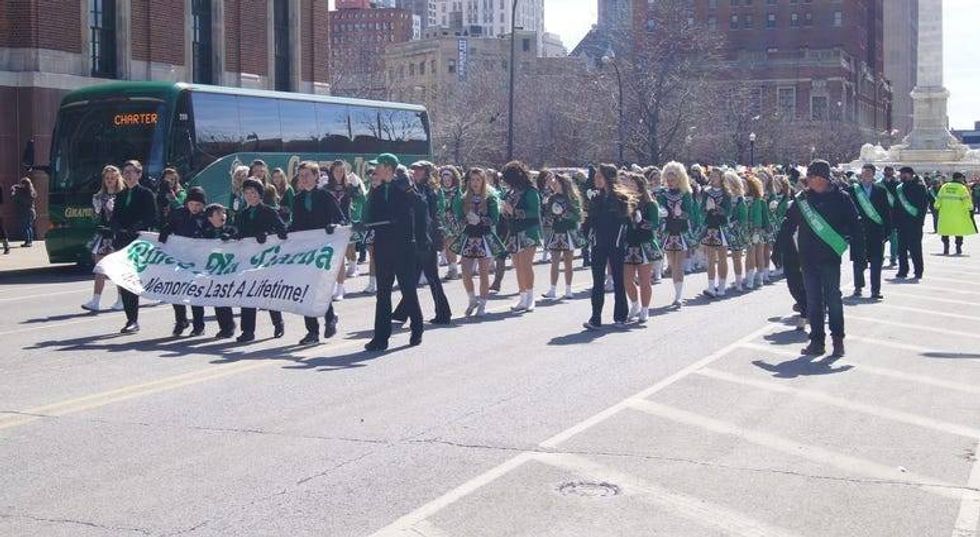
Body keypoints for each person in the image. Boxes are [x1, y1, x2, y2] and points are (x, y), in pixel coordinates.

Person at [777, 160, 862, 357]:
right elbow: (788, 223)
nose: (810, 182)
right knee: (814, 300)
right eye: (809, 178)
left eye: (814, 178)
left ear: (823, 178)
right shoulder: (803, 199)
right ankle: (816, 342)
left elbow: (855, 225)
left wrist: (859, 253)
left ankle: (838, 340)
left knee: (833, 299)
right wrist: (778, 249)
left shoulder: (842, 198)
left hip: (830, 257)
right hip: (807, 257)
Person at [361, 153, 424, 352]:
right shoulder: (377, 189)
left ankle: (417, 327)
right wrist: (372, 191)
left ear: (388, 168)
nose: (374, 170)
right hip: (382, 245)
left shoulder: (403, 187)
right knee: (383, 292)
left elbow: (421, 207)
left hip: (403, 246)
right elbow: (367, 215)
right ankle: (380, 338)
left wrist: (408, 189)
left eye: (377, 167)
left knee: (407, 289)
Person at [290, 161, 344, 345]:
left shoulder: (325, 196)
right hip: (305, 250)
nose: (303, 179)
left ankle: (330, 317)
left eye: (307, 175)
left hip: (323, 249)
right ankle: (312, 331)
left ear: (316, 176)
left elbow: (340, 219)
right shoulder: (297, 199)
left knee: (319, 286)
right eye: (301, 176)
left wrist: (333, 226)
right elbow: (295, 224)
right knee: (306, 289)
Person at [392, 160, 452, 325]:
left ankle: (443, 313)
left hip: (427, 238)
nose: (416, 172)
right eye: (414, 169)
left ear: (427, 173)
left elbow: (428, 214)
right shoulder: (414, 187)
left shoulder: (429, 191)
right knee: (411, 277)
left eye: (419, 170)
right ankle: (402, 312)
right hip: (415, 238)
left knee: (432, 276)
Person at [234, 178, 289, 343]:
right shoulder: (242, 214)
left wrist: (266, 234)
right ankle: (248, 331)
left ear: (260, 194)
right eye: (247, 193)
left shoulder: (268, 211)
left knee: (267, 292)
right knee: (247, 293)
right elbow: (238, 232)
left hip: (266, 259)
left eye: (253, 193)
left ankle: (278, 322)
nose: (250, 196)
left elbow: (281, 230)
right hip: (247, 260)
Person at [581, 164, 634, 330]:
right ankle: (595, 317)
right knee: (597, 282)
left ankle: (620, 316)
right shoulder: (595, 199)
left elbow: (627, 223)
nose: (596, 179)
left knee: (619, 280)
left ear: (608, 178)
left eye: (599, 176)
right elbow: (589, 222)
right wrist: (585, 231)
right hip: (598, 244)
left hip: (616, 244)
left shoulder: (620, 199)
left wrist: (625, 241)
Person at [110, 160, 158, 334]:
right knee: (126, 282)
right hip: (123, 243)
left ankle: (180, 318)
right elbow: (115, 216)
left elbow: (152, 217)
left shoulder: (146, 194)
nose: (129, 175)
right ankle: (132, 319)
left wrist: (136, 226)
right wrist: (114, 227)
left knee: (140, 280)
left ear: (139, 174)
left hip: (139, 243)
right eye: (126, 171)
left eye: (132, 171)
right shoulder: (121, 195)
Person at [452, 168, 506, 317]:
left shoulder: (490, 198)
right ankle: (472, 299)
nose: (475, 183)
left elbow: (495, 218)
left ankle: (482, 305)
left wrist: (481, 219)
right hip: (469, 236)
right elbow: (458, 216)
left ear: (483, 181)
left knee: (483, 273)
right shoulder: (463, 198)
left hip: (484, 236)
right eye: (472, 179)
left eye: (478, 180)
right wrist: (465, 219)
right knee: (465, 271)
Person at [159, 187, 208, 336]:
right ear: (187, 203)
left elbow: (211, 233)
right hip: (179, 257)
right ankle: (181, 320)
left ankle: (199, 324)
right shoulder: (179, 213)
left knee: (195, 293)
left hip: (197, 259)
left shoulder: (205, 217)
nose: (195, 208)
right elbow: (170, 225)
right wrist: (166, 230)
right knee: (176, 290)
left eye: (198, 205)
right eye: (192, 204)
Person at [82, 165, 126, 312]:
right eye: (107, 178)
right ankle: (95, 300)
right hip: (103, 235)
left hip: (116, 236)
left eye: (113, 178)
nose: (110, 180)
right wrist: (96, 210)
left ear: (118, 179)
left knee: (117, 270)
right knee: (99, 268)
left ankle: (121, 300)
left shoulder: (123, 195)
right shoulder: (98, 196)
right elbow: (95, 218)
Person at [500, 161, 542, 312]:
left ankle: (531, 298)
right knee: (517, 266)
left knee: (526, 264)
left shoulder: (531, 191)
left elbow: (535, 212)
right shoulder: (511, 192)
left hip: (528, 231)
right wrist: (505, 211)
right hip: (514, 231)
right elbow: (507, 211)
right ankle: (522, 297)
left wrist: (515, 212)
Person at [848, 164, 892, 299]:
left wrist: (887, 231)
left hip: (876, 231)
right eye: (864, 172)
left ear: (873, 175)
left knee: (876, 261)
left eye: (869, 172)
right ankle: (858, 287)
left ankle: (875, 290)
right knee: (858, 261)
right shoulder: (852, 190)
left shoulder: (880, 191)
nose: (866, 174)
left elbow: (886, 212)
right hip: (858, 231)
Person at [623, 172, 661, 324]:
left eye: (633, 184)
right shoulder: (624, 203)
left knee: (645, 280)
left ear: (640, 186)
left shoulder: (650, 204)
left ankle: (645, 309)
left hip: (644, 244)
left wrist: (642, 221)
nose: (629, 187)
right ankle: (634, 304)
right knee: (627, 279)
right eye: (628, 185)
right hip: (629, 244)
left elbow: (655, 224)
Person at [540, 172, 585, 300]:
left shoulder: (572, 197)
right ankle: (552, 289)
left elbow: (577, 216)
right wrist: (551, 215)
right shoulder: (552, 198)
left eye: (557, 182)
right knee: (554, 262)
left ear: (563, 184)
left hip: (568, 232)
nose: (554, 184)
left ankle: (568, 289)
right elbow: (548, 214)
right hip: (556, 231)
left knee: (568, 263)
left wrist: (565, 213)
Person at [657, 162, 695, 307]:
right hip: (668, 231)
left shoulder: (686, 194)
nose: (670, 182)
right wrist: (662, 213)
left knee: (678, 264)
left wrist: (681, 213)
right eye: (668, 179)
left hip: (681, 231)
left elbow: (689, 213)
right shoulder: (662, 194)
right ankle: (676, 291)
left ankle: (678, 296)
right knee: (672, 264)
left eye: (673, 179)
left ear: (679, 179)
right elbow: (660, 210)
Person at [201, 203, 239, 338]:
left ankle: (229, 325)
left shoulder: (231, 229)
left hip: (229, 269)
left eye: (223, 213)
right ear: (210, 218)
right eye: (218, 214)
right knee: (217, 300)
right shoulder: (206, 232)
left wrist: (230, 237)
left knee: (224, 299)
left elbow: (240, 239)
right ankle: (225, 327)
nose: (222, 216)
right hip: (214, 271)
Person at [701, 168, 732, 297]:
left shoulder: (726, 193)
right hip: (710, 226)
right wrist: (706, 208)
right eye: (711, 176)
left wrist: (717, 208)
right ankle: (711, 286)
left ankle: (722, 287)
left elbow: (728, 212)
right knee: (711, 258)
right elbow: (701, 209)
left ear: (721, 178)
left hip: (722, 226)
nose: (713, 179)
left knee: (723, 257)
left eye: (715, 177)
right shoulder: (706, 192)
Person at [893, 166, 929, 280]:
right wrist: (895, 221)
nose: (902, 176)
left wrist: (919, 221)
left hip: (914, 223)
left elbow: (923, 206)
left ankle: (918, 271)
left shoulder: (919, 187)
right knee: (901, 248)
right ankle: (903, 270)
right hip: (901, 223)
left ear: (911, 174)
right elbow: (896, 206)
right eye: (901, 174)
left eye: (904, 174)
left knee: (915, 249)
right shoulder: (899, 188)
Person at [934, 172, 977, 255]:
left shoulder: (944, 186)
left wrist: (936, 206)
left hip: (945, 213)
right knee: (958, 231)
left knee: (945, 231)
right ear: (960, 178)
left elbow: (938, 198)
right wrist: (970, 208)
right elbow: (966, 200)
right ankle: (958, 248)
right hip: (958, 213)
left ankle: (946, 248)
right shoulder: (962, 188)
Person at [438, 166, 464, 280]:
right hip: (442, 221)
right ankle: (451, 268)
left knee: (451, 245)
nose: (446, 182)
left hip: (453, 222)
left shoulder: (457, 191)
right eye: (444, 180)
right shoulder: (439, 191)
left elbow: (460, 206)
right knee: (446, 246)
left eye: (449, 180)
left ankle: (453, 270)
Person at [880, 166, 901, 267]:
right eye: (887, 171)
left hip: (894, 215)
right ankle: (880, 257)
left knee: (894, 238)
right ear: (884, 172)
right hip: (882, 214)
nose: (888, 173)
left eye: (890, 171)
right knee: (881, 239)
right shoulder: (879, 184)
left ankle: (893, 258)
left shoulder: (897, 185)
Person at [12, 177, 37, 247]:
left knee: (25, 227)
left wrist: (14, 191)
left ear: (24, 184)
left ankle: (27, 242)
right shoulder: (31, 191)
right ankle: (30, 241)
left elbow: (15, 198)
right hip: (32, 211)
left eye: (22, 184)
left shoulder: (24, 193)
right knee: (29, 226)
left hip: (25, 211)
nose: (21, 185)